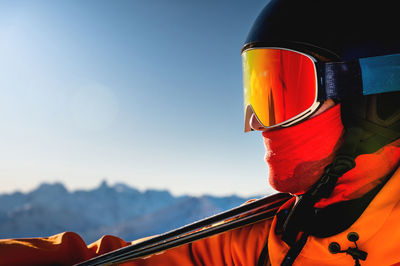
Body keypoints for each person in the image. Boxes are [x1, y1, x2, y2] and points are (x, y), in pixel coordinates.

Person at [1, 0, 400, 265]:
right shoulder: (273, 234)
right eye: (261, 96)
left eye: (288, 90)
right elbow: (130, 260)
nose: (260, 122)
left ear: (376, 103)